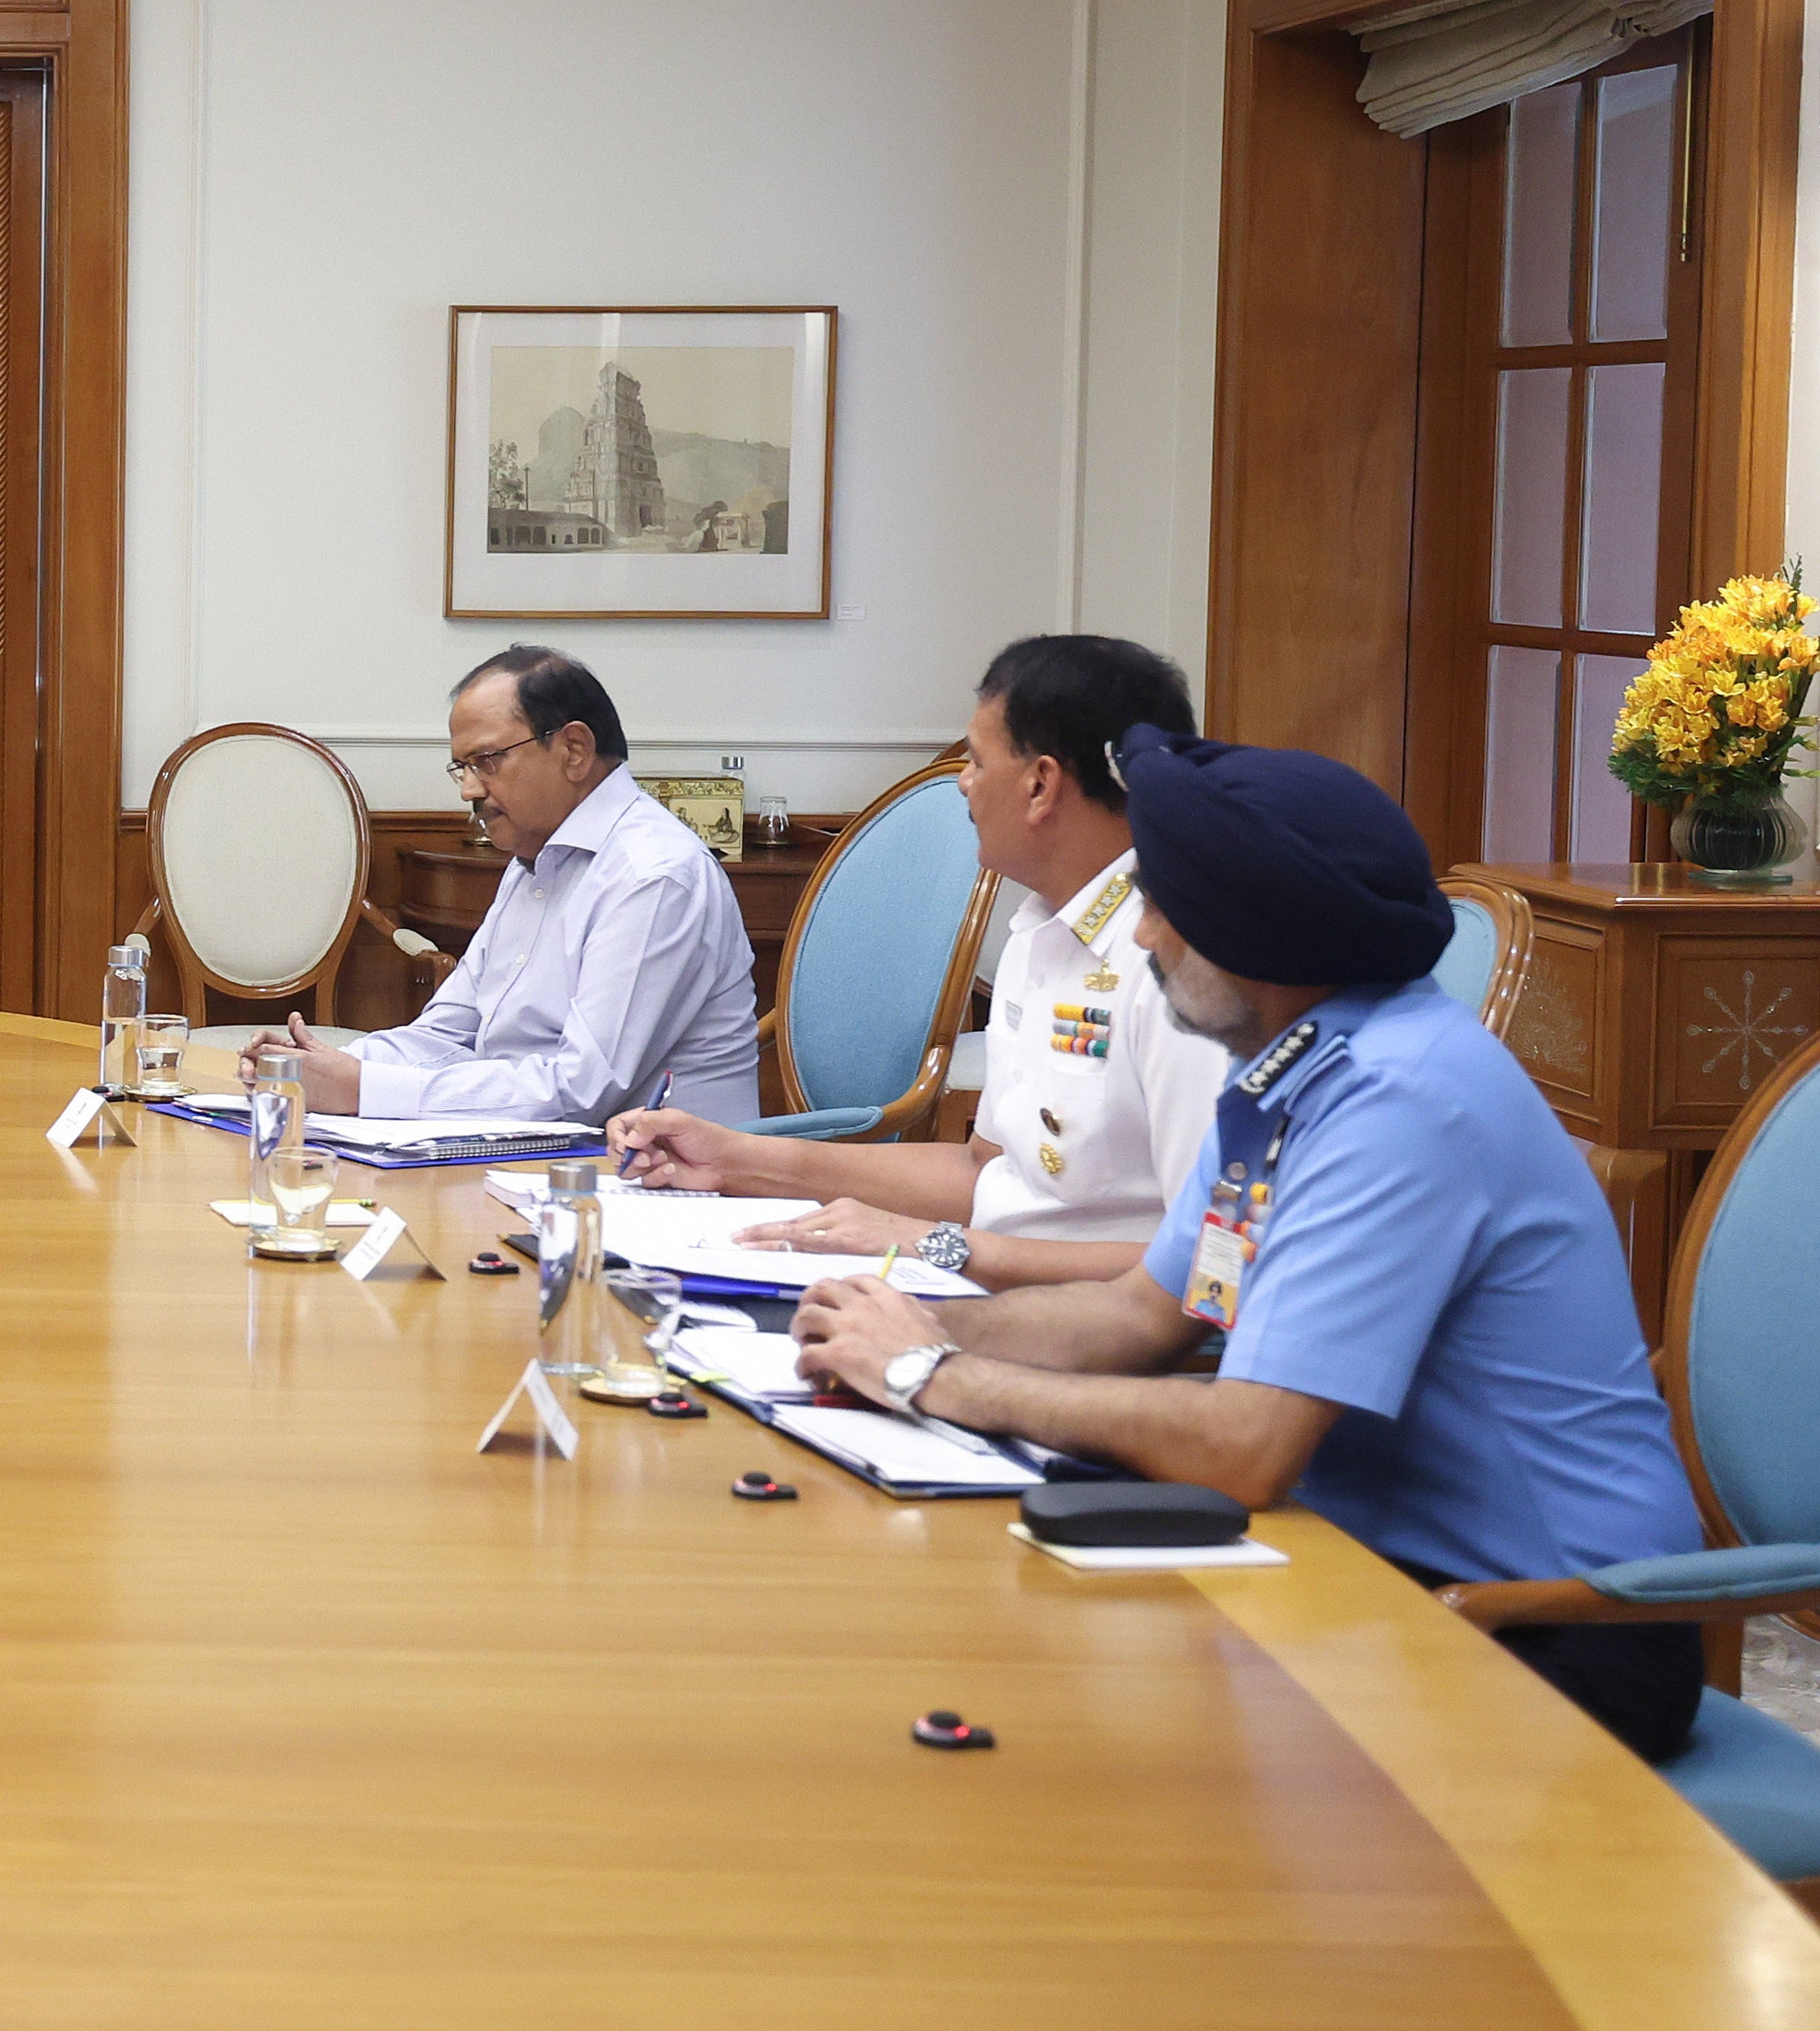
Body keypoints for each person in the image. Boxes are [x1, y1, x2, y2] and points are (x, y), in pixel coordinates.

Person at [789, 729, 1704, 1759]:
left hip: (1549, 1629)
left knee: (1084, 1744)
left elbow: (1245, 1445)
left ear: (1249, 931)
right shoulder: (1290, 1069)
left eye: (1161, 906)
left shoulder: (1397, 1102)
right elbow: (1140, 1314)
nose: (1140, 937)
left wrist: (934, 1372)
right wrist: (914, 1327)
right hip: (1369, 1568)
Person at [607, 635, 1227, 1286]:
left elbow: (1214, 1263)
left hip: (1095, 1338)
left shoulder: (1184, 965)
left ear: (1041, 783)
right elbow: (984, 1172)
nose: (962, 784)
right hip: (986, 1290)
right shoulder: (1041, 931)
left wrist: (938, 1247)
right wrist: (735, 1159)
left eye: (978, 763)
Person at [255, 645, 756, 1121]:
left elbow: (579, 1093)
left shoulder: (653, 875)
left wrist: (364, 1088)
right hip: (541, 1161)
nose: (470, 789)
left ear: (574, 750)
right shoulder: (535, 862)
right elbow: (444, 1034)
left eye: (487, 761)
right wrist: (317, 1063)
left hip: (653, 1184)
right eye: (462, 767)